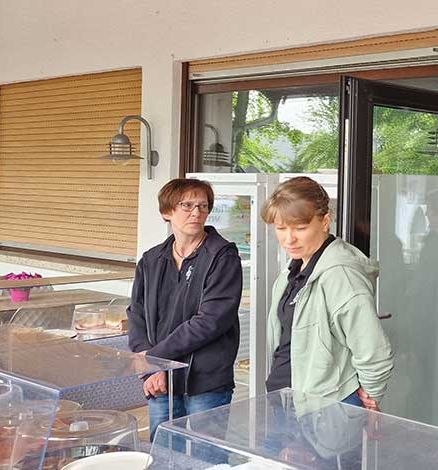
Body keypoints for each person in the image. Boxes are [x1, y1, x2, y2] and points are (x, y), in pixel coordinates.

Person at [262, 176, 393, 411]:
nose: (289, 238)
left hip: (326, 407)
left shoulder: (340, 274)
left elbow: (373, 351)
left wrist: (371, 400)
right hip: (285, 399)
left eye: (300, 228)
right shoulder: (293, 270)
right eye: (281, 228)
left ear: (325, 221)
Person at [127, 178, 243, 441]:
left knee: (207, 454)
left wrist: (153, 358)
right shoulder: (151, 259)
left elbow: (210, 321)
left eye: (203, 206)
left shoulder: (222, 256)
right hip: (160, 378)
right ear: (166, 212)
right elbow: (137, 313)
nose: (197, 212)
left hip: (206, 379)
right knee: (163, 450)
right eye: (187, 205)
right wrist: (151, 367)